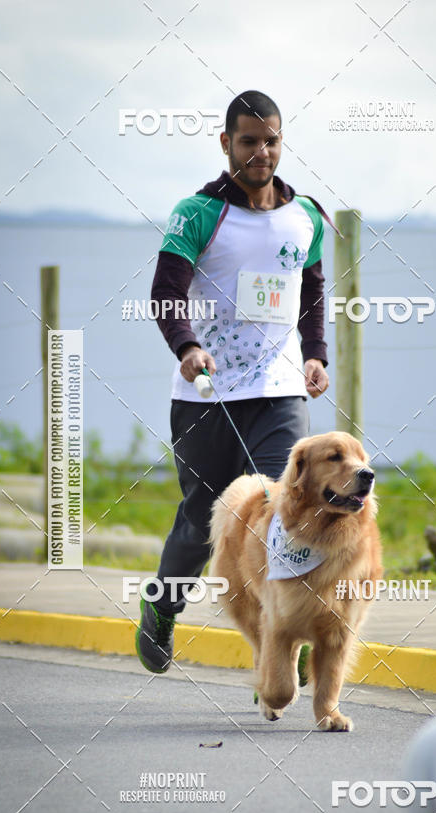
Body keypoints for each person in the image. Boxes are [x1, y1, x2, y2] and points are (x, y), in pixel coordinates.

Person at [136, 89, 336, 673]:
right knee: (202, 525)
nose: (261, 152)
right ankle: (162, 607)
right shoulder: (197, 214)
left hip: (279, 393)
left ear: (282, 141)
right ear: (227, 144)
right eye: (249, 141)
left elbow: (314, 294)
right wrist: (187, 346)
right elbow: (165, 293)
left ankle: (283, 647)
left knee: (288, 509)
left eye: (271, 140)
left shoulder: (306, 218)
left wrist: (316, 355)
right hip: (207, 396)